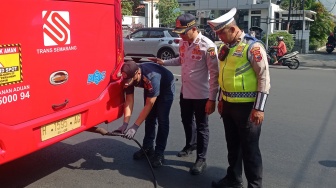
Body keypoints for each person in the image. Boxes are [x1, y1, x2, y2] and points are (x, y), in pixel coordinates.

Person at [149, 13, 219, 175]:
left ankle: (201, 159)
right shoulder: (183, 43)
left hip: (202, 94)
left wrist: (212, 98)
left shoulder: (207, 46)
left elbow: (214, 74)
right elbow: (181, 60)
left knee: (202, 127)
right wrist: (164, 62)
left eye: (183, 32)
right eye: (179, 32)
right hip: (185, 91)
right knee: (187, 120)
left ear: (194, 29)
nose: (180, 35)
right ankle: (190, 144)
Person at [208, 7, 270, 188]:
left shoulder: (252, 47)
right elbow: (224, 75)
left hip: (248, 107)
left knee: (250, 150)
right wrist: (220, 99)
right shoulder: (225, 48)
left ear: (234, 29)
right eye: (217, 33)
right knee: (233, 146)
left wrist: (259, 108)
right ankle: (233, 179)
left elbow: (264, 78)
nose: (219, 37)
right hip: (228, 104)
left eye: (222, 33)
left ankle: (255, 185)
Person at [112, 61, 175, 168]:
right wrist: (125, 124)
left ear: (138, 73)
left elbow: (149, 105)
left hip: (165, 87)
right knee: (149, 118)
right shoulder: (128, 76)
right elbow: (129, 100)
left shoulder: (151, 77)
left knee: (162, 119)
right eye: (125, 80)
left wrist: (135, 127)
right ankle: (148, 147)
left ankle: (159, 153)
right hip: (150, 87)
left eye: (129, 80)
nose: (126, 83)